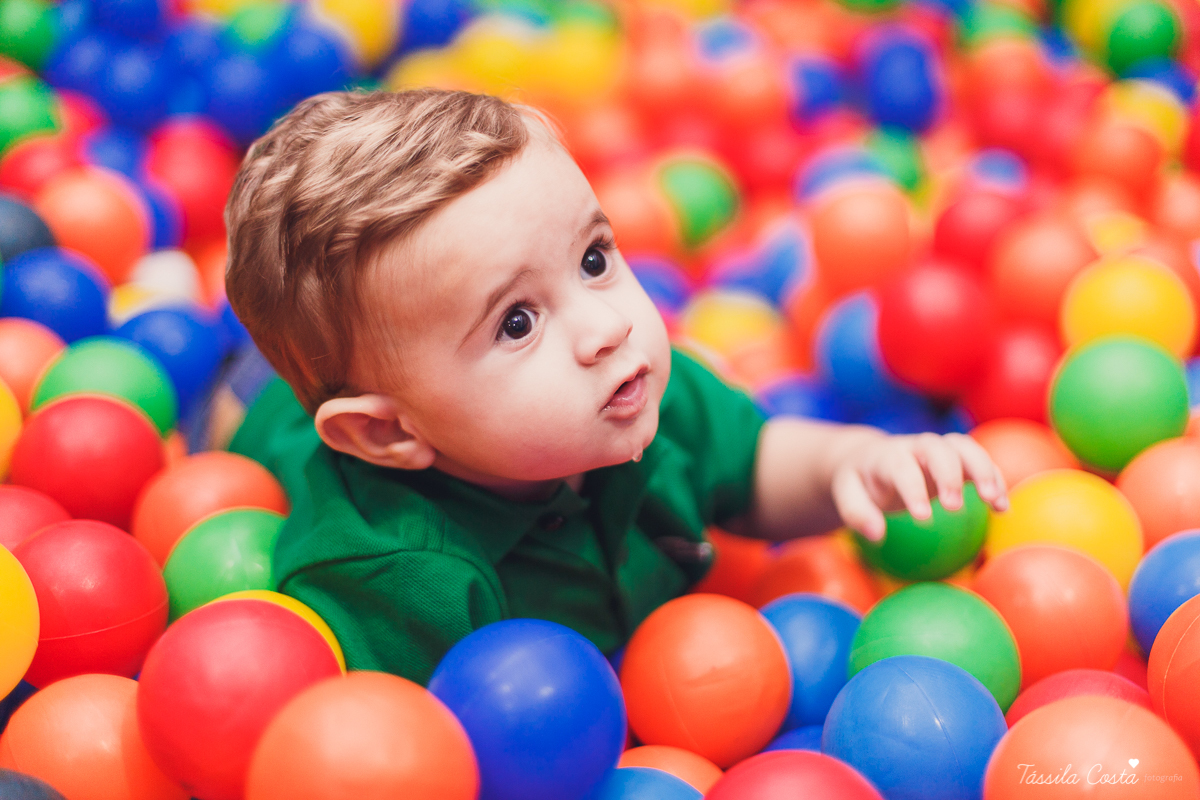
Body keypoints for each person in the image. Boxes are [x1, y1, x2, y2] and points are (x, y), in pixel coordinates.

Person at [220, 88, 1009, 686]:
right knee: (237, 416)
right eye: (517, 323)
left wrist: (852, 466)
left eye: (594, 260)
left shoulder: (637, 395)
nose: (604, 329)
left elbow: (757, 464)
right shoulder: (395, 582)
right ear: (392, 434)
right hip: (276, 426)